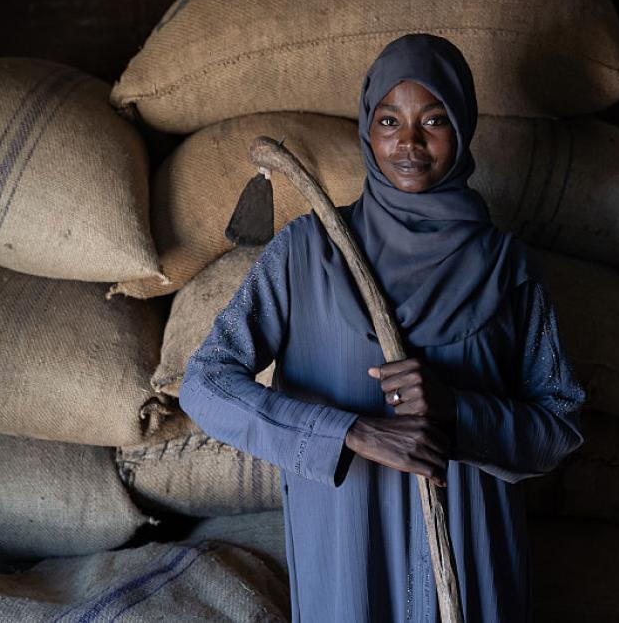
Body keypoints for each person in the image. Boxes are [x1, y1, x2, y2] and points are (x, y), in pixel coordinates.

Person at [180, 33, 586, 623]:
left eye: (435, 120)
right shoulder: (308, 252)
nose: (410, 142)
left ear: (464, 129)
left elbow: (559, 426)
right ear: (368, 131)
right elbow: (204, 385)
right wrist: (348, 433)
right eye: (390, 120)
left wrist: (456, 411)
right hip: (347, 559)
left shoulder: (506, 267)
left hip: (470, 562)